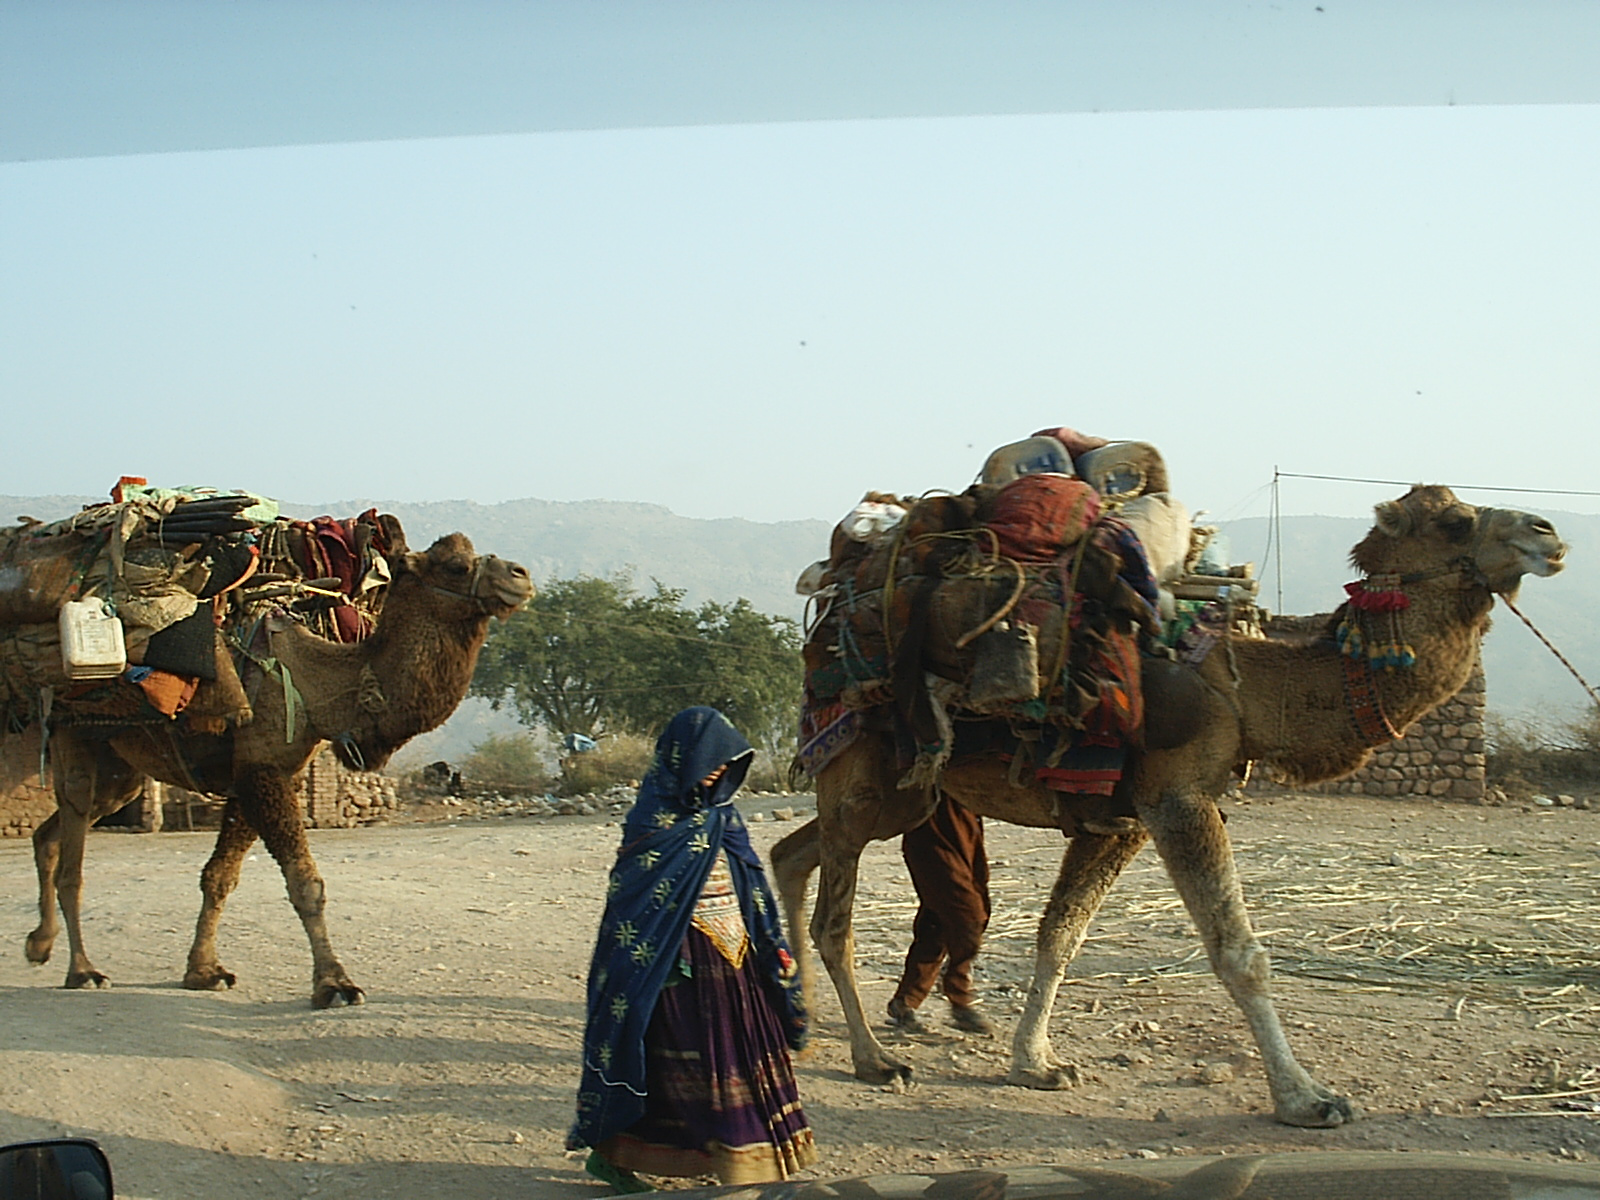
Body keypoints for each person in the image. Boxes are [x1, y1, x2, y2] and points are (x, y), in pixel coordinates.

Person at [570, 707, 815, 1191]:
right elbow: (634, 901)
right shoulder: (652, 818)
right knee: (672, 1066)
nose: (718, 771)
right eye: (710, 761)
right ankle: (616, 1156)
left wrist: (771, 950)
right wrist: (658, 958)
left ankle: (743, 1159)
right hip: (674, 964)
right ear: (682, 759)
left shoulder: (725, 819)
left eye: (726, 763)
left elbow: (752, 886)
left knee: (739, 1057)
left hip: (736, 959)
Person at [886, 792, 995, 1035]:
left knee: (937, 922)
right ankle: (960, 999)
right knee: (968, 915)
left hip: (965, 834)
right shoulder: (926, 760)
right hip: (932, 840)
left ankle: (905, 1001)